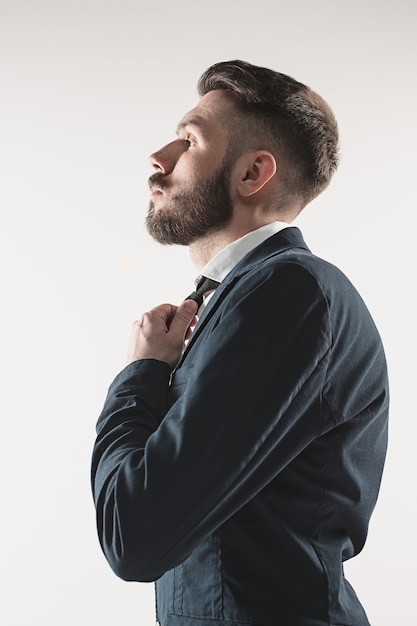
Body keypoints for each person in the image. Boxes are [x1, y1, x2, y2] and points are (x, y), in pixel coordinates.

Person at [91, 60, 389, 626]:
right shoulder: (252, 298)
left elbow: (133, 534)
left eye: (189, 140)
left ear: (253, 174)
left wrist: (140, 375)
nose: (159, 158)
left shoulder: (287, 291)